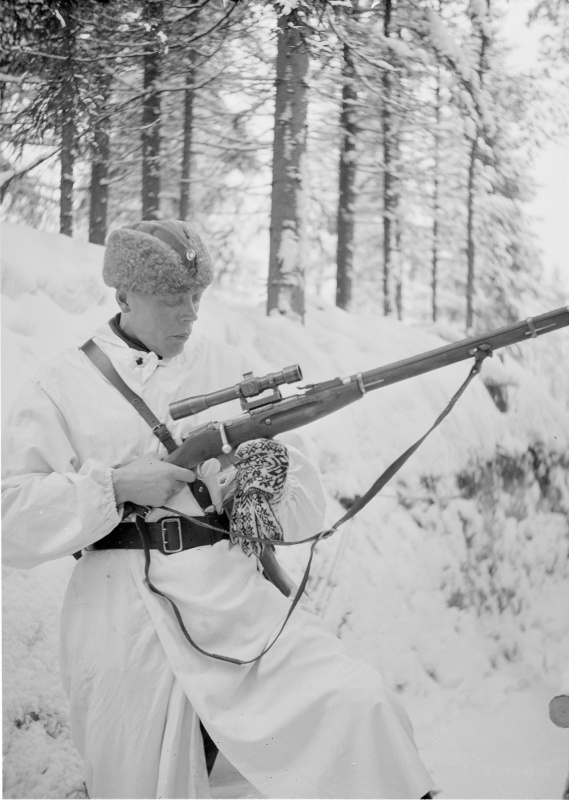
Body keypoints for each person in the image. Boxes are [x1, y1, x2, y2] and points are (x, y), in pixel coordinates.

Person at [2, 220, 434, 799]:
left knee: (360, 708)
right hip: (122, 617)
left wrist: (268, 476)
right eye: (173, 300)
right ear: (124, 296)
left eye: (196, 298)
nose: (190, 316)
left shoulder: (225, 365)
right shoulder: (62, 383)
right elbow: (10, 516)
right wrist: (116, 485)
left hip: (234, 598)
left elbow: (304, 510)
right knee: (146, 783)